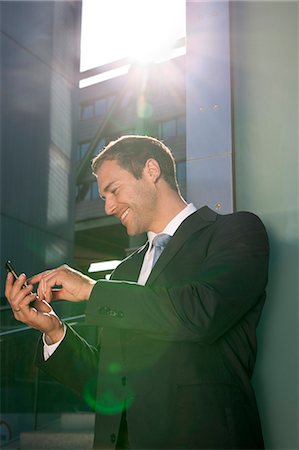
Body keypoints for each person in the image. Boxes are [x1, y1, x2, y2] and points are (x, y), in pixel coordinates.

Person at [5, 135, 269, 449]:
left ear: (151, 170)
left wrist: (93, 290)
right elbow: (108, 384)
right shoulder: (124, 273)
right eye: (102, 196)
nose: (108, 207)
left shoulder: (235, 232)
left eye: (113, 190)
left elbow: (202, 313)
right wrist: (54, 330)